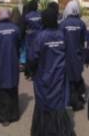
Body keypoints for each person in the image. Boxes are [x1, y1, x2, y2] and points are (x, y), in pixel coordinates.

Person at [30, 7, 75, 136]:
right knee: (57, 101)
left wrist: (32, 70)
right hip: (59, 75)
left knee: (44, 101)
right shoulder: (62, 35)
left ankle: (44, 130)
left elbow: (33, 58)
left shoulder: (41, 37)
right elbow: (68, 53)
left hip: (44, 75)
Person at [59, 0, 87, 111]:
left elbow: (60, 38)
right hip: (78, 54)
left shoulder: (63, 24)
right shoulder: (81, 23)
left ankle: (68, 99)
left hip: (65, 54)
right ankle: (78, 100)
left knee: (67, 77)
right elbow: (84, 39)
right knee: (76, 75)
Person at [24, 0, 42, 80]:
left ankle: (30, 73)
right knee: (39, 53)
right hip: (39, 35)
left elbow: (24, 26)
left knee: (30, 54)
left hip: (30, 36)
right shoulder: (40, 15)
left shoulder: (27, 16)